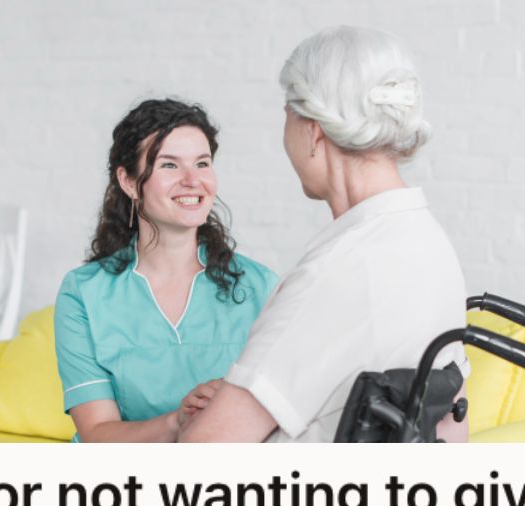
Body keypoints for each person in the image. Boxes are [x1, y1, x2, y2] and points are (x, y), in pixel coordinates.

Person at [178, 26, 470, 443]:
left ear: (312, 130)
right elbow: (452, 424)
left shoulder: (334, 271)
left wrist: (198, 423)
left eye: (286, 115)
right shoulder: (431, 243)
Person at [54, 99, 278, 442]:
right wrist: (178, 421)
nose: (192, 180)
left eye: (202, 163)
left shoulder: (261, 287)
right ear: (129, 182)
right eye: (169, 165)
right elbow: (97, 434)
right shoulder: (83, 292)